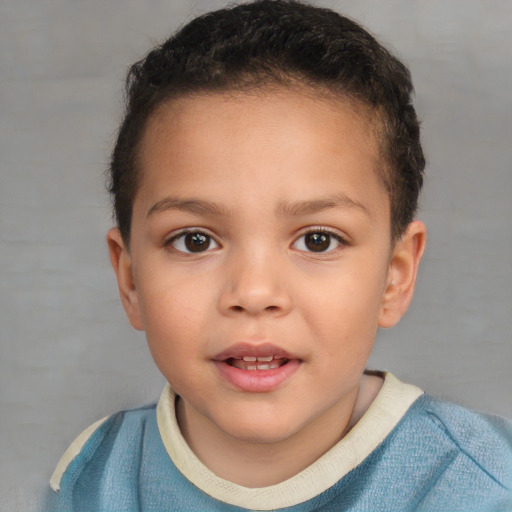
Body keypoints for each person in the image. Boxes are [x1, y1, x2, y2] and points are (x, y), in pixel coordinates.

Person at [42, 1, 512, 510]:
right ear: (130, 279)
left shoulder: (480, 486)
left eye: (317, 240)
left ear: (394, 277)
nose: (255, 292)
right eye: (195, 240)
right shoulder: (94, 477)